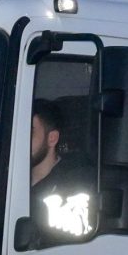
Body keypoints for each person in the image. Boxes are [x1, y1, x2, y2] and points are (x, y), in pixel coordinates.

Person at [29, 99, 98, 237]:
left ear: (52, 138)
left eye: (30, 133)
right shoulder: (8, 184)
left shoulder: (77, 185)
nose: (21, 140)